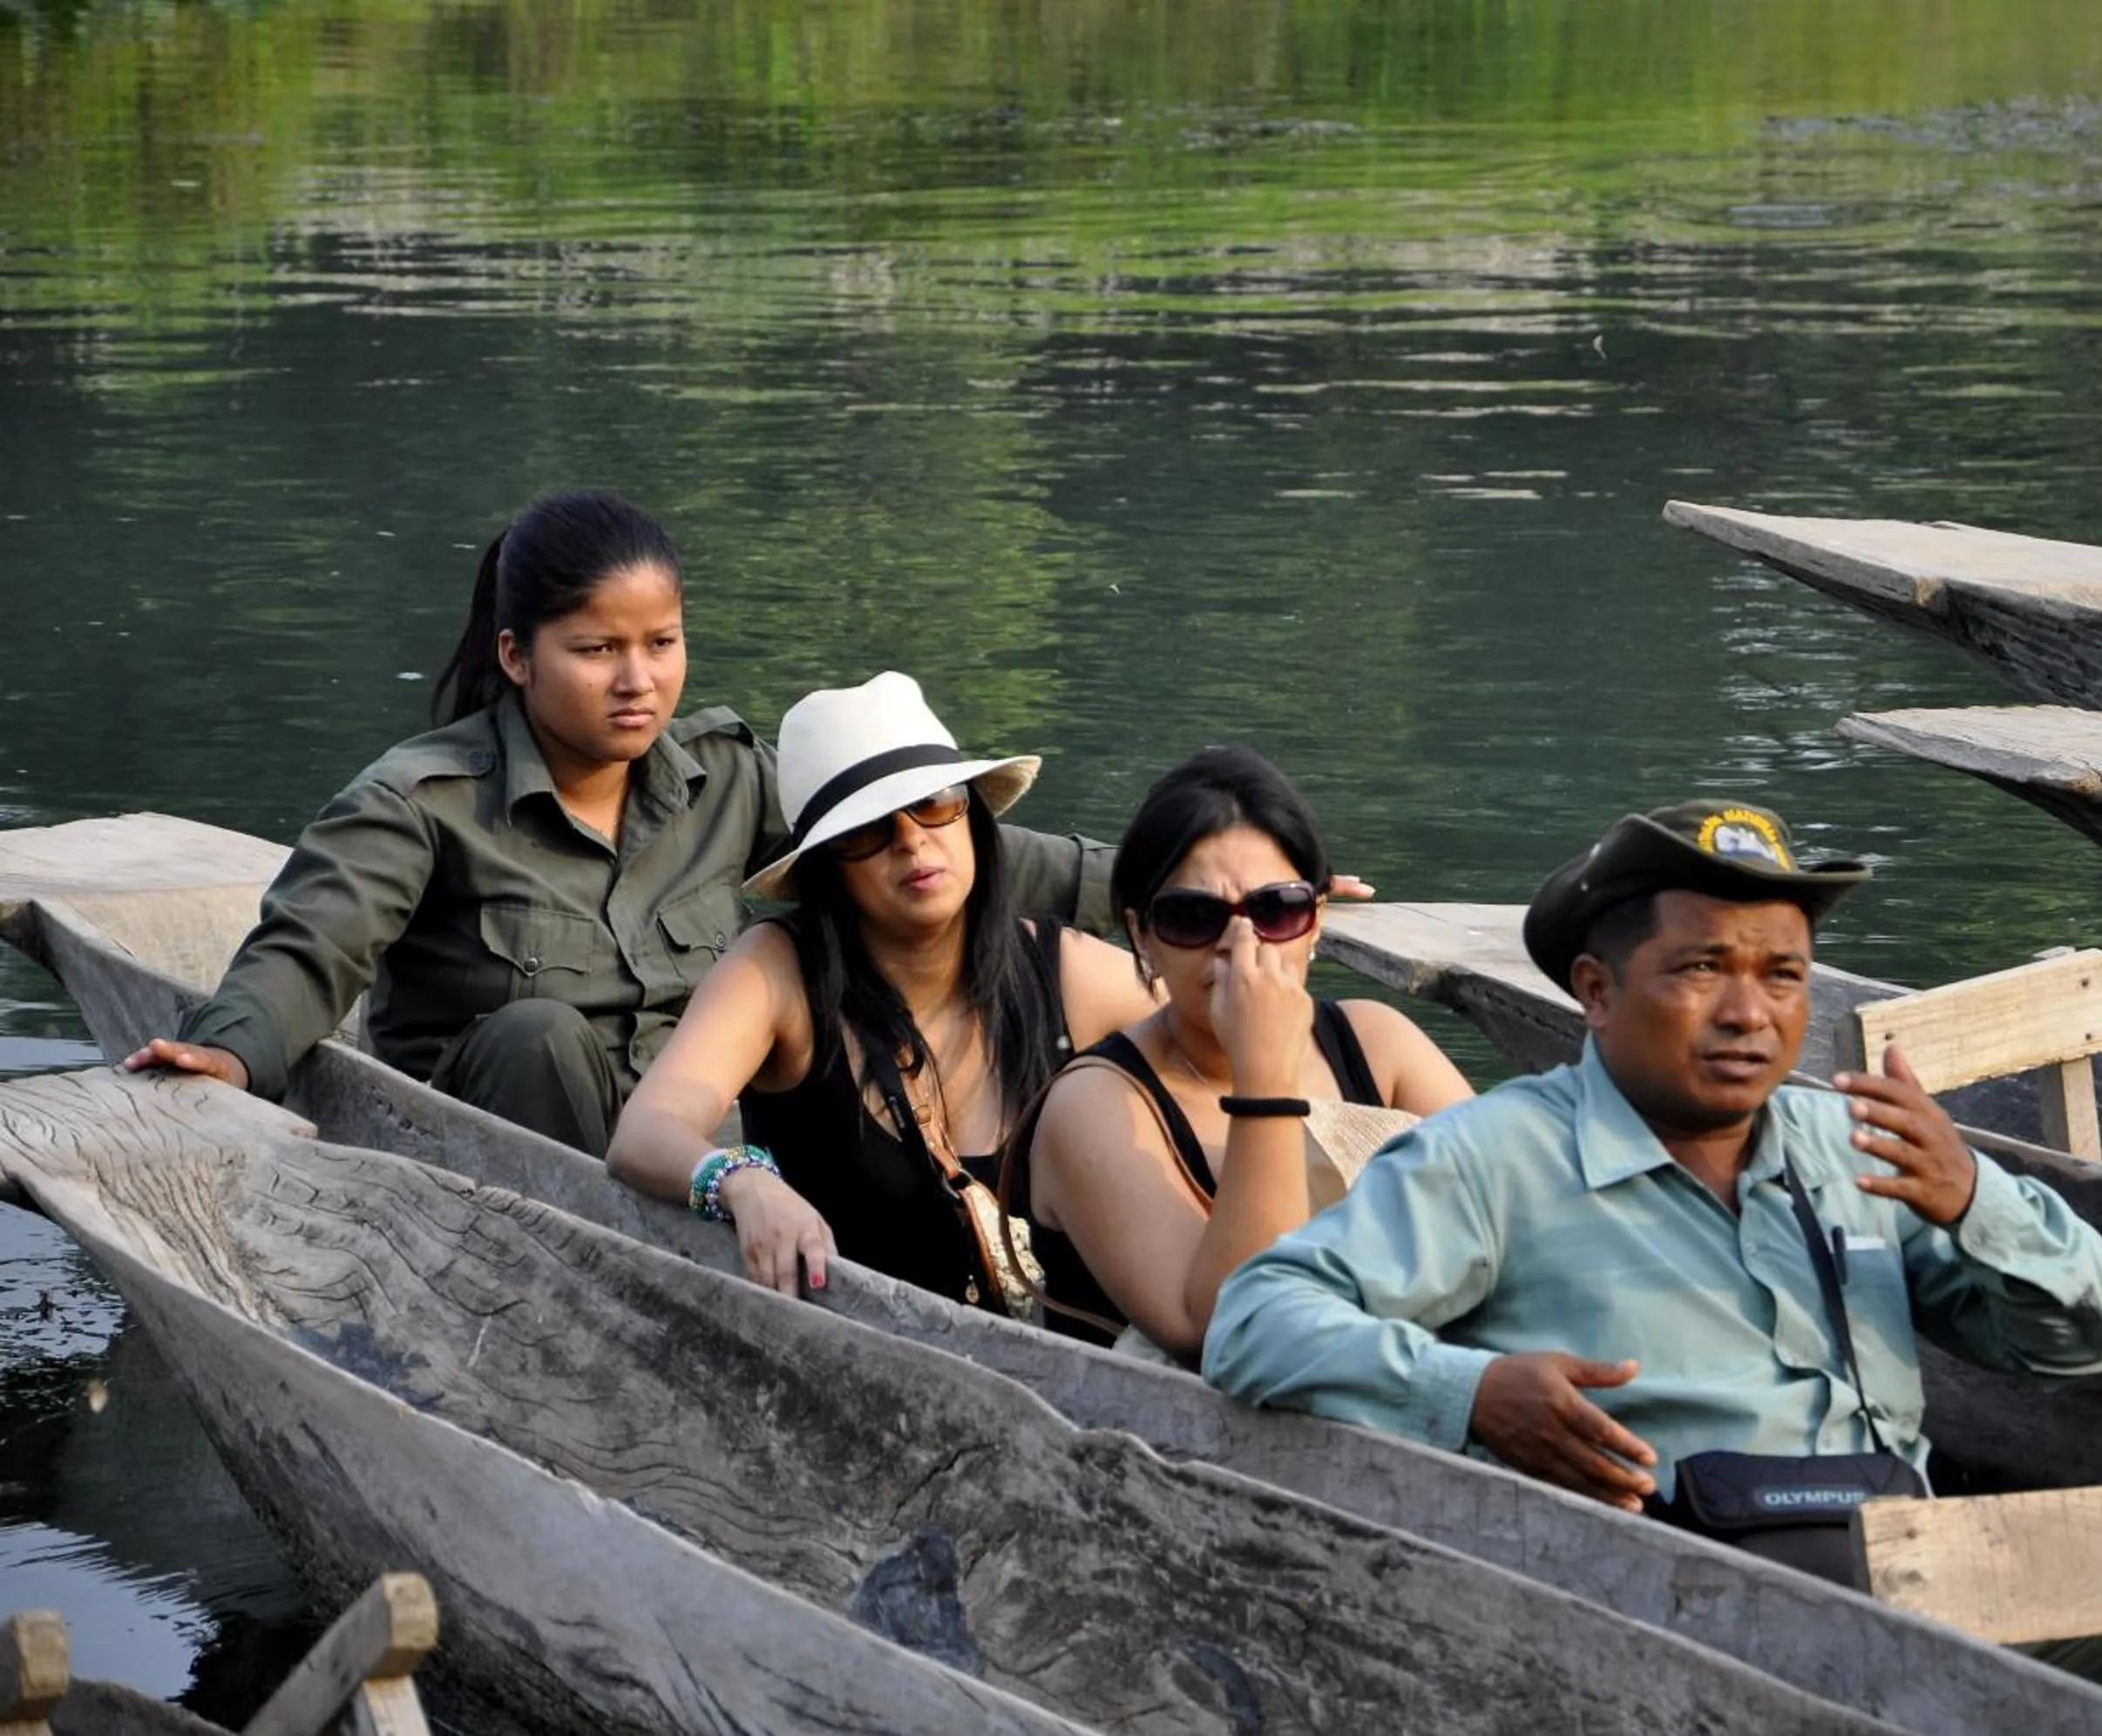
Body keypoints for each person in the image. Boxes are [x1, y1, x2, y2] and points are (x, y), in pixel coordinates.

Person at [1202, 798, 2102, 1736]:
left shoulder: (1851, 1141)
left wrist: (1980, 1196)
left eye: (1783, 974)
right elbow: (1257, 1318)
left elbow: (2083, 1341)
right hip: (1696, 1617)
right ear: (1596, 992)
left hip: (1936, 1576)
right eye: (1700, 968)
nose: (1751, 1011)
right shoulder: (1497, 1156)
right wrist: (1472, 1393)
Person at [119, 490, 1111, 1154]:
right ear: (518, 655)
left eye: (663, 643)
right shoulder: (423, 803)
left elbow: (939, 846)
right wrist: (233, 1050)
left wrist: (1190, 887)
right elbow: (309, 946)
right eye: (598, 650)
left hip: (700, 1160)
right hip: (491, 1167)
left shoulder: (727, 780)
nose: (640, 683)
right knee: (539, 1037)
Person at [605, 673, 1157, 1305]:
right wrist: (742, 1180)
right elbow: (646, 1132)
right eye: (866, 828)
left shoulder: (1064, 969)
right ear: (826, 867)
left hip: (1074, 1367)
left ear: (972, 818)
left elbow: (1224, 1045)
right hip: (857, 1357)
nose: (911, 840)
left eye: (934, 802)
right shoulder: (779, 970)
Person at [1008, 746, 1471, 1359]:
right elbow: (1231, 1329)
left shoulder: (1376, 1045)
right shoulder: (1097, 1104)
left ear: (1315, 922)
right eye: (1194, 916)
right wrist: (1266, 1076)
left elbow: (1517, 1211)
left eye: (1276, 909)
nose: (1239, 943)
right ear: (1142, 937)